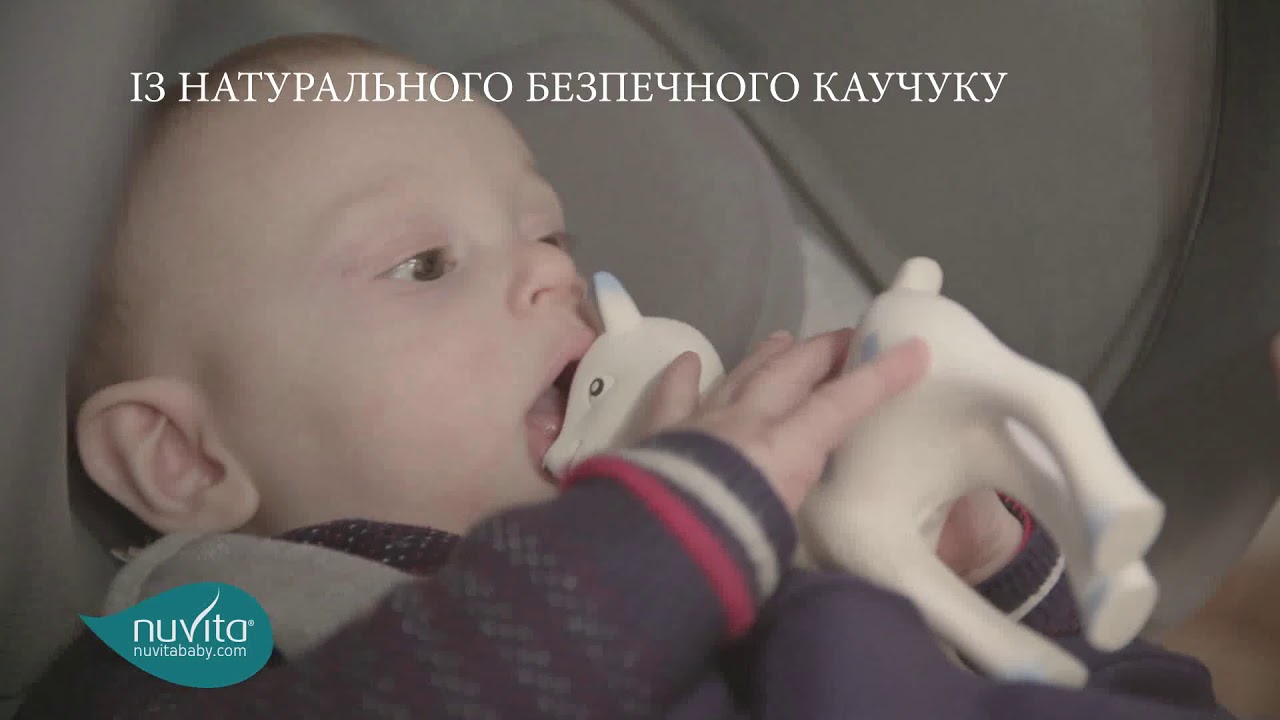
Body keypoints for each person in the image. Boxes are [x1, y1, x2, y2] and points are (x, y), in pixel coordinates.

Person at [17, 33, 1233, 719]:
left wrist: (981, 577)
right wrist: (669, 528)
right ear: (184, 458)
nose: (553, 275)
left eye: (547, 233)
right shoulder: (194, 634)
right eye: (424, 264)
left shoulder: (748, 556)